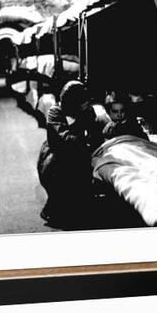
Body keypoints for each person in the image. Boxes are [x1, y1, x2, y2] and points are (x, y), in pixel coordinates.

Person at [37, 80, 109, 227]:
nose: (86, 105)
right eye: (82, 103)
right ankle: (55, 209)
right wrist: (85, 140)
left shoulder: (86, 110)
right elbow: (64, 139)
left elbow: (94, 133)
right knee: (63, 169)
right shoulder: (55, 112)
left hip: (79, 151)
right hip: (56, 154)